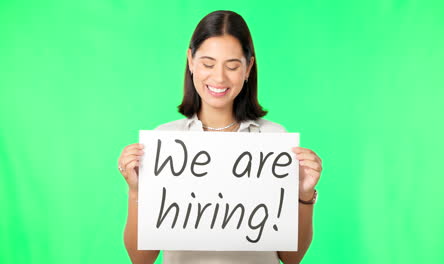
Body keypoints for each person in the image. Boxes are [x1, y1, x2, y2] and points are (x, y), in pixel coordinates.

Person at [117, 10, 323, 264]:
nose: (219, 77)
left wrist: (304, 194)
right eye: (208, 63)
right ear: (191, 61)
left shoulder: (274, 141)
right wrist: (137, 190)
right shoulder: (163, 142)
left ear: (248, 68)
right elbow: (141, 258)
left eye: (233, 66)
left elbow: (291, 258)